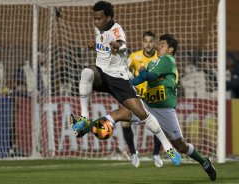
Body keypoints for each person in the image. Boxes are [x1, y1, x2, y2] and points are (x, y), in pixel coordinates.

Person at [72, 34, 216, 181]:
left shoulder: (168, 60)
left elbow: (150, 77)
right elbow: (143, 78)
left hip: (165, 110)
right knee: (118, 114)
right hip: (147, 104)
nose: (158, 47)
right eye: (158, 44)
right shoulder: (153, 63)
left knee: (181, 146)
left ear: (171, 49)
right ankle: (84, 130)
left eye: (162, 45)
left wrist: (140, 72)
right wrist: (127, 85)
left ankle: (204, 161)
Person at [69, 1, 181, 166]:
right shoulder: (98, 28)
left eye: (99, 19)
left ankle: (167, 147)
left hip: (118, 78)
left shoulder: (117, 30)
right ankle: (85, 118)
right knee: (86, 72)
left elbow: (121, 45)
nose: (96, 22)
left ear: (109, 17)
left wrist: (117, 46)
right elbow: (104, 48)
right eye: (94, 19)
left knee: (143, 114)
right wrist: (95, 47)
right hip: (102, 74)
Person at [122, 31, 163, 168]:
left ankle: (156, 154)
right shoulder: (134, 57)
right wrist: (126, 74)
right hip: (136, 98)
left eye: (151, 41)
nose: (148, 44)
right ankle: (133, 154)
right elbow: (122, 70)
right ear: (142, 42)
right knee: (124, 123)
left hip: (153, 97)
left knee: (158, 126)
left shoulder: (160, 58)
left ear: (155, 43)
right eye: (146, 41)